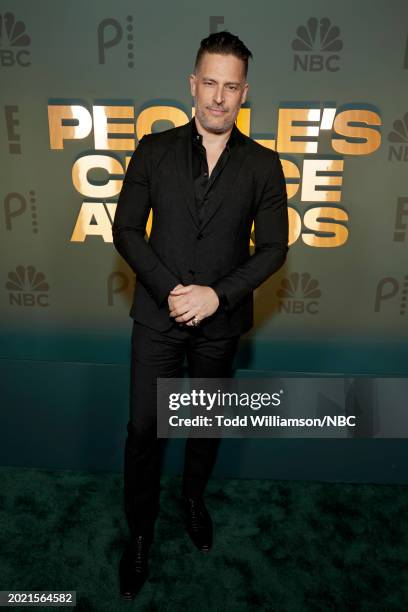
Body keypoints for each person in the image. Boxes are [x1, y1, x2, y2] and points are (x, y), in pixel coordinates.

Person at [112, 30, 289, 600]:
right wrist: (174, 291)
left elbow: (274, 249)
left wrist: (216, 296)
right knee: (144, 430)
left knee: (204, 425)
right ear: (193, 84)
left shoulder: (265, 165)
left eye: (230, 87)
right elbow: (125, 230)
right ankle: (139, 534)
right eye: (209, 83)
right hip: (157, 319)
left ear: (244, 94)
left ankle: (192, 499)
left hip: (222, 324)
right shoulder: (153, 149)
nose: (218, 96)